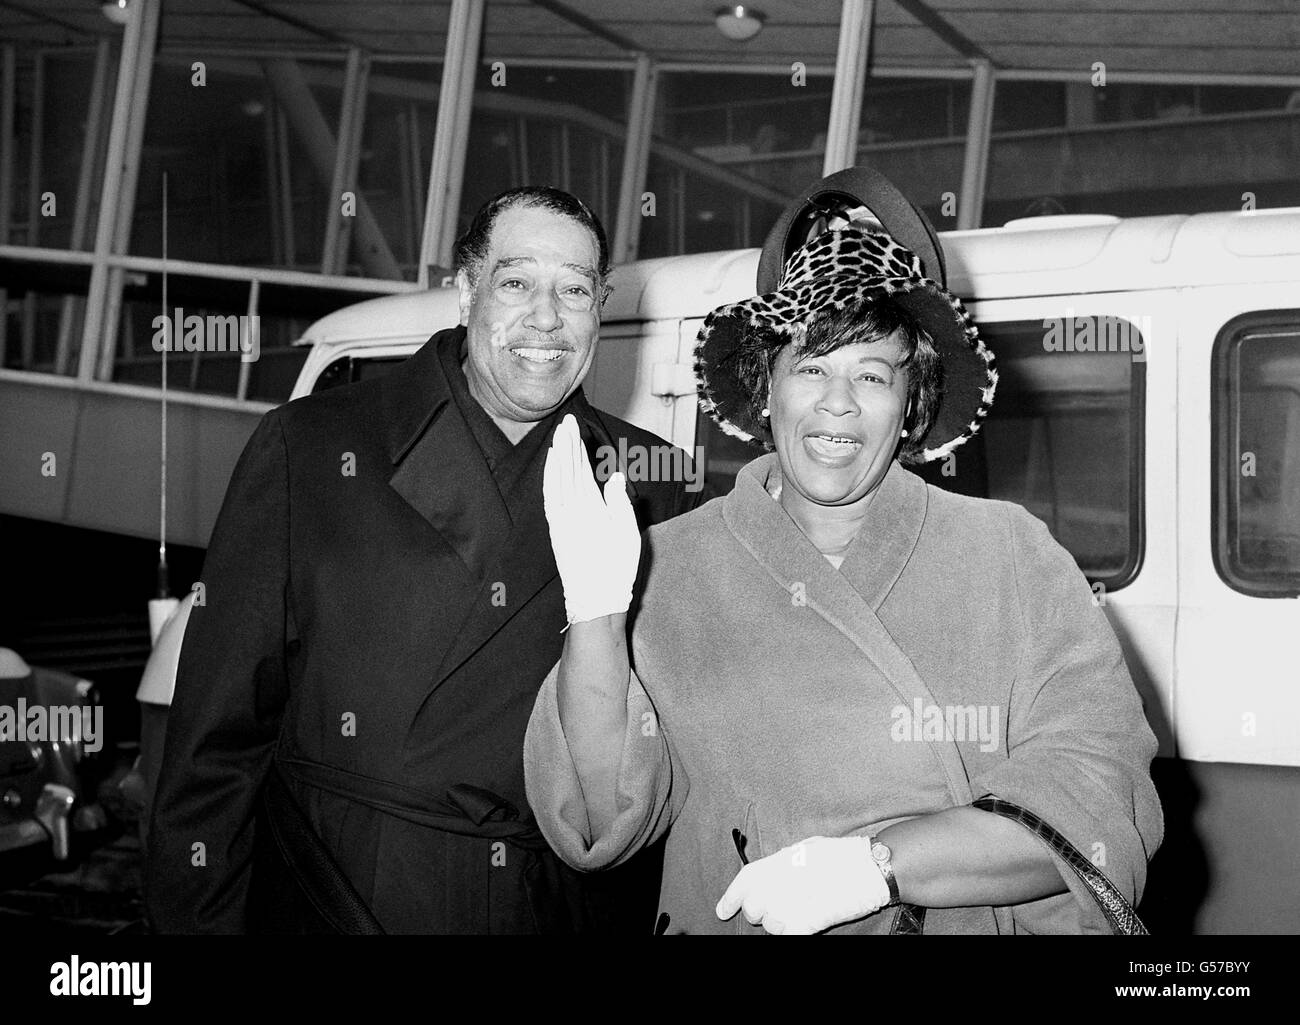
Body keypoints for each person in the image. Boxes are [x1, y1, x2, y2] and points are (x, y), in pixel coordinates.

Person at [525, 224, 1163, 934]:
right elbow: (594, 820)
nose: (839, 402)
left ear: (909, 404)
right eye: (811, 367)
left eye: (871, 374)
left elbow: (1101, 791)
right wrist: (595, 618)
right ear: (766, 388)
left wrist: (880, 865)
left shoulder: (1013, 554)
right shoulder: (669, 567)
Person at [146, 186, 698, 934]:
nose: (547, 317)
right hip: (336, 895)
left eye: (574, 289)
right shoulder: (311, 448)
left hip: (545, 910)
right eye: (516, 282)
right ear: (466, 291)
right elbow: (216, 742)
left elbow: (675, 765)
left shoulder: (652, 484)